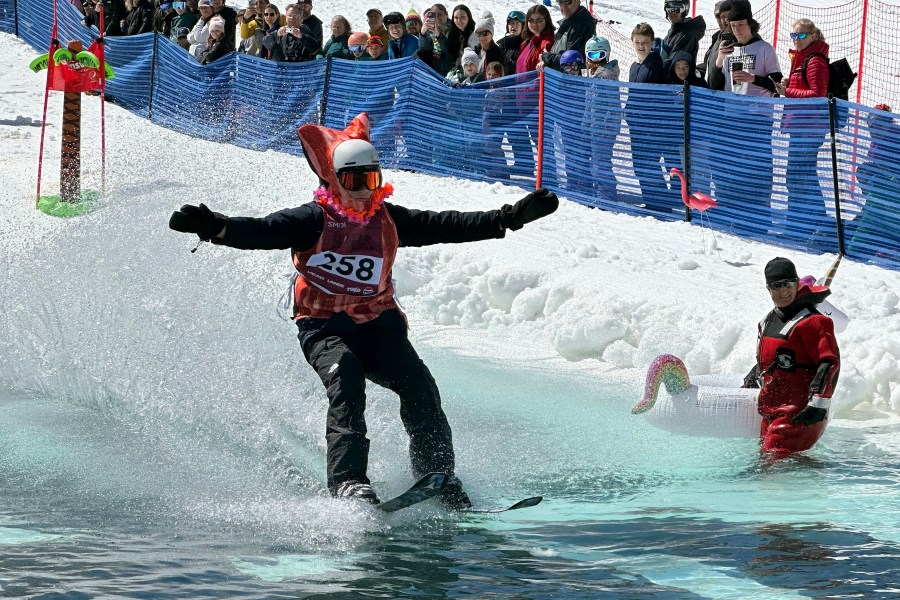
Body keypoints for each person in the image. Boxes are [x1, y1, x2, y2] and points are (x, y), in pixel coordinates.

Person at [167, 113, 559, 506]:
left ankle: (437, 474)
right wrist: (216, 227)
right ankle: (348, 482)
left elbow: (449, 224)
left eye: (371, 180)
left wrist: (508, 218)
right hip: (323, 327)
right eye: (354, 181)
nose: (363, 191)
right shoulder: (311, 219)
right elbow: (262, 231)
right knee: (347, 380)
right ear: (335, 179)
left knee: (420, 387)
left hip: (379, 326)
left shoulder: (388, 219)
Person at [742, 257, 839, 456]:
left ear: (797, 283)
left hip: (800, 414)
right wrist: (754, 375)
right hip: (771, 410)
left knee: (771, 469)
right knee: (768, 464)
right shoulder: (768, 320)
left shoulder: (814, 322)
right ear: (768, 289)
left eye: (788, 284)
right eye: (776, 286)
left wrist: (818, 405)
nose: (783, 292)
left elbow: (829, 363)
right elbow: (774, 359)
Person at [537, 0, 594, 72]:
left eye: (567, 1)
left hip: (569, 80)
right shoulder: (570, 20)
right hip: (561, 77)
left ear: (577, 1)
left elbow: (571, 60)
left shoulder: (581, 25)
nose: (563, 6)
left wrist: (546, 57)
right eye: (560, 2)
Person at [700, 0, 732, 89]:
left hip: (727, 97)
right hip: (712, 94)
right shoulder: (717, 38)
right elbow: (709, 63)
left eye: (727, 16)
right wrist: (697, 71)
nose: (723, 20)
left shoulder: (741, 38)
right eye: (718, 16)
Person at [515, 4, 554, 74]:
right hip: (521, 84)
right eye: (531, 20)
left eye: (539, 20)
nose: (535, 24)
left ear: (546, 20)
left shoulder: (548, 42)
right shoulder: (525, 43)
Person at [497, 10, 525, 74]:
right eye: (512, 23)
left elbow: (519, 66)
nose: (514, 26)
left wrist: (503, 59)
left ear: (522, 27)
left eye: (517, 23)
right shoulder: (502, 43)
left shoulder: (525, 45)